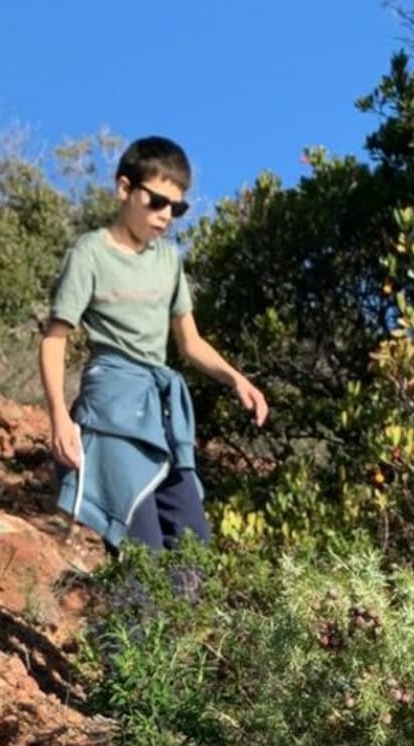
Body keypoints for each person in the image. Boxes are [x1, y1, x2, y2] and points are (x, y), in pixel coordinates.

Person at [40, 136, 267, 568]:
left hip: (161, 416)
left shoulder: (168, 261)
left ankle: (169, 637)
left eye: (176, 208)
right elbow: (55, 338)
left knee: (191, 546)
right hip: (112, 411)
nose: (165, 215)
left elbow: (190, 342)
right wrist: (59, 419)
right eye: (156, 201)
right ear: (125, 189)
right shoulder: (90, 253)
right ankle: (125, 638)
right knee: (140, 552)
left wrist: (237, 379)